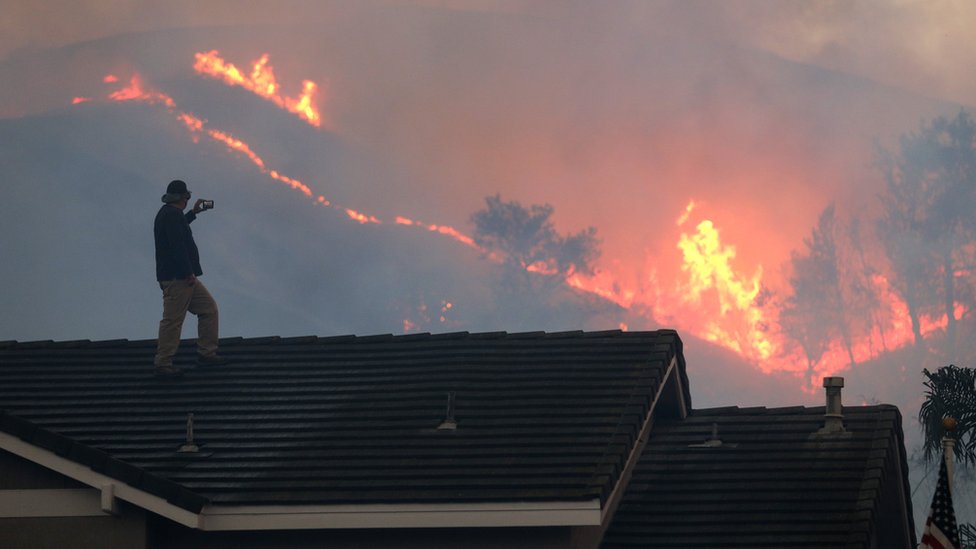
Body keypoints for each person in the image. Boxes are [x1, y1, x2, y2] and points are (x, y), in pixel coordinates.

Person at [153, 179, 227, 376]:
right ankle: (163, 363)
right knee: (173, 321)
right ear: (182, 198)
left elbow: (178, 230)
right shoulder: (171, 215)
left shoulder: (170, 214)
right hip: (179, 279)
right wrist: (188, 273)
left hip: (182, 277)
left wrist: (194, 213)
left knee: (208, 310)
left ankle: (207, 353)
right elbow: (177, 246)